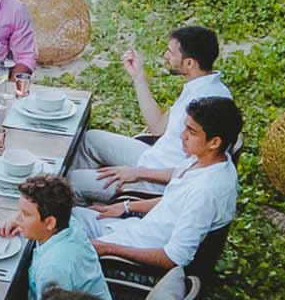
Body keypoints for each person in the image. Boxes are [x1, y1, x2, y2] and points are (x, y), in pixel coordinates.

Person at [74, 96, 242, 275]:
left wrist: (108, 248)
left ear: (214, 142)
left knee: (53, 233)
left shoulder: (206, 192)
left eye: (192, 132)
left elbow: (173, 258)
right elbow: (174, 201)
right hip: (132, 230)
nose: (182, 136)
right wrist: (125, 206)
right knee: (64, 215)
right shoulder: (206, 160)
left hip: (132, 261)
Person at [69, 25, 230, 202]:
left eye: (170, 52)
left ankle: (82, 210)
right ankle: (87, 198)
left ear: (189, 63)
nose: (165, 56)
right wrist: (139, 77)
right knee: (90, 139)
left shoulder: (209, 105)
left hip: (155, 183)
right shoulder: (199, 86)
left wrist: (138, 173)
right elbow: (158, 127)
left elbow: (194, 173)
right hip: (153, 157)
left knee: (71, 181)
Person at [0, 174, 111, 300]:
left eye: (26, 214)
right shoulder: (68, 222)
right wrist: (17, 219)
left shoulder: (52, 269)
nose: (19, 219)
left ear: (50, 222)